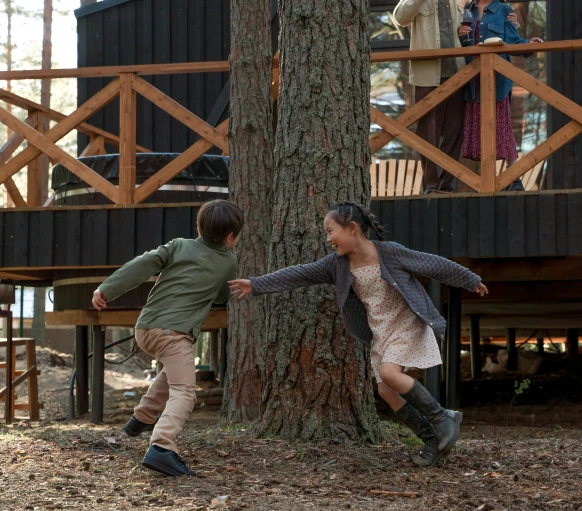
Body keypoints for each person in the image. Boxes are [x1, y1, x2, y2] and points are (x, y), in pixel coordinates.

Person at [229, 202, 488, 466]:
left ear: (352, 228)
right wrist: (256, 284)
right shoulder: (336, 265)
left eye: (331, 231)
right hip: (381, 331)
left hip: (406, 323)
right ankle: (433, 440)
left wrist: (469, 279)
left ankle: (442, 417)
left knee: (389, 374)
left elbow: (432, 264)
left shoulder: (390, 253)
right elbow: (300, 274)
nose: (328, 239)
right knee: (387, 390)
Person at [91, 200, 243, 477]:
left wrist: (106, 289)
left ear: (198, 227)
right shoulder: (228, 262)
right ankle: (161, 447)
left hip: (146, 329)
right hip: (173, 334)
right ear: (231, 237)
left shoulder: (178, 246)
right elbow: (222, 296)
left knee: (176, 374)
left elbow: (142, 265)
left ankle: (141, 418)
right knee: (185, 392)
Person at [393, 0, 518, 194]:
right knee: (428, 132)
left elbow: (480, 21)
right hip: (428, 75)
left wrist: (507, 19)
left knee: (455, 131)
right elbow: (401, 18)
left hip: (460, 74)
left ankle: (447, 185)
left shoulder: (463, 1)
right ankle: (432, 186)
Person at [458, 0, 543, 191]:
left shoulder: (504, 9)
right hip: (473, 81)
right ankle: (487, 183)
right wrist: (460, 36)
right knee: (481, 131)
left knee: (501, 126)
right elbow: (463, 45)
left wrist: (529, 44)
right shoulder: (467, 9)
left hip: (497, 79)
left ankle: (514, 179)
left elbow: (515, 40)